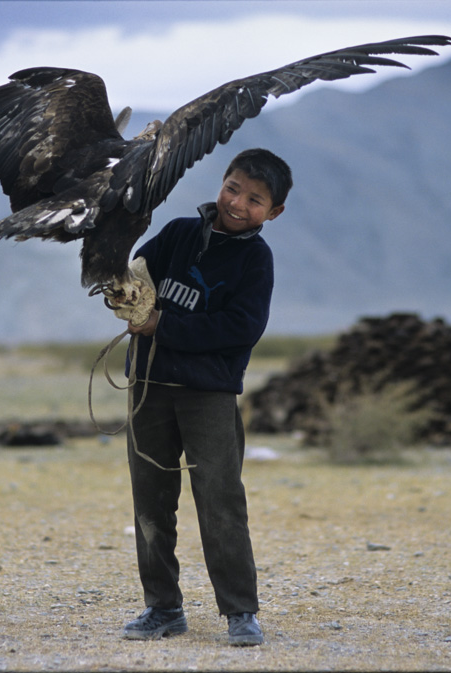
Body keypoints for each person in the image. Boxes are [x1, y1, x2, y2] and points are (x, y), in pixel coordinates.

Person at [117, 148, 292, 647]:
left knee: (220, 504)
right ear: (222, 182)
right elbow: (134, 272)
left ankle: (240, 612)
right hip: (148, 388)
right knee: (150, 501)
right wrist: (121, 292)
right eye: (233, 188)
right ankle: (163, 609)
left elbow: (241, 328)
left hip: (209, 396)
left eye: (255, 199)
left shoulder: (256, 259)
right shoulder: (176, 233)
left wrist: (162, 324)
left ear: (273, 212)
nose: (238, 203)